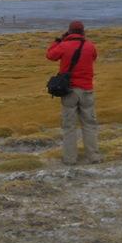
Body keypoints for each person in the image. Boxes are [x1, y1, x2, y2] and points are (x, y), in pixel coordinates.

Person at [46, 20, 102, 165]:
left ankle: (70, 159)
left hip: (69, 91)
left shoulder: (64, 45)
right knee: (89, 125)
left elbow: (50, 55)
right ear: (83, 31)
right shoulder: (90, 46)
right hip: (87, 90)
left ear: (69, 31)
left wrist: (58, 41)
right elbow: (94, 57)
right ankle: (94, 157)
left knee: (69, 126)